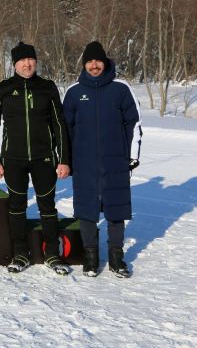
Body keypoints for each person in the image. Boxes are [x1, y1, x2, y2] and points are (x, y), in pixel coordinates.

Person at [0, 42, 72, 275]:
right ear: (14, 64)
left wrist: (63, 159)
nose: (27, 64)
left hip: (44, 158)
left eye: (31, 60)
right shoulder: (3, 88)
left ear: (36, 62)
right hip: (13, 159)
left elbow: (59, 124)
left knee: (47, 205)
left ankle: (53, 254)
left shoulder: (47, 87)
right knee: (17, 206)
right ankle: (20, 254)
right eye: (22, 60)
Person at [63, 41, 142, 278]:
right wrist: (65, 159)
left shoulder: (121, 88)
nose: (94, 65)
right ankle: (90, 257)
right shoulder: (74, 91)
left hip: (115, 161)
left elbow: (134, 122)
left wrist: (132, 156)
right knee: (87, 211)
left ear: (105, 62)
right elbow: (64, 129)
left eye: (98, 61)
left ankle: (117, 257)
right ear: (84, 64)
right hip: (84, 162)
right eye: (89, 61)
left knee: (116, 210)